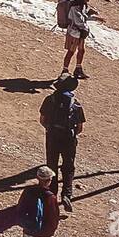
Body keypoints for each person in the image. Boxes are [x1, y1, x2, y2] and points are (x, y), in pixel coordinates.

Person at [40, 75, 85, 212]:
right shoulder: (75, 104)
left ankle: (51, 196)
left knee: (51, 164)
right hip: (69, 138)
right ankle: (67, 195)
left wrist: (49, 129)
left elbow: (42, 119)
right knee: (68, 167)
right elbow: (80, 128)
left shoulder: (49, 100)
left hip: (53, 136)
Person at [62, 0, 102, 80]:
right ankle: (65, 70)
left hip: (80, 33)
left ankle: (78, 69)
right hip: (75, 33)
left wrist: (95, 18)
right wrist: (88, 23)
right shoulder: (74, 7)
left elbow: (83, 17)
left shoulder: (82, 5)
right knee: (71, 52)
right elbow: (79, 21)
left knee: (81, 50)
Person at [18, 167, 62, 237]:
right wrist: (51, 231)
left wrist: (24, 224)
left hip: (29, 229)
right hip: (44, 233)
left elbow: (20, 209)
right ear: (48, 181)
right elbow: (54, 216)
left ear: (38, 177)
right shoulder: (51, 197)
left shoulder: (28, 191)